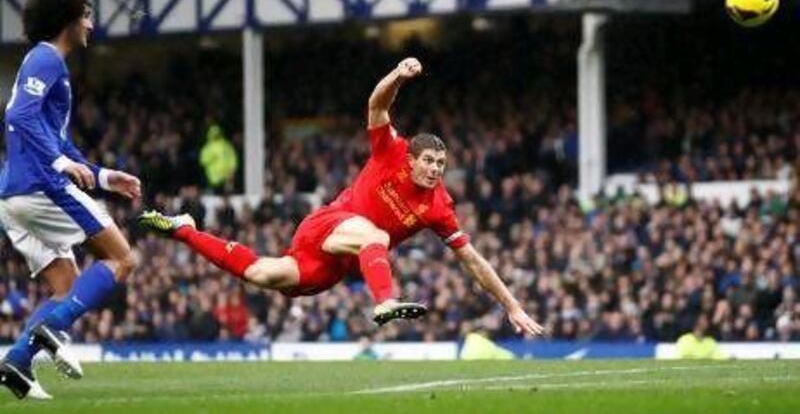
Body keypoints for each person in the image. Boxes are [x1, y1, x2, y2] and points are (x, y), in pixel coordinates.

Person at [140, 58, 543, 335]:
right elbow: (376, 104)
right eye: (430, 161)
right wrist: (398, 76)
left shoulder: (439, 206)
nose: (437, 169)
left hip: (333, 265)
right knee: (376, 236)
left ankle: (184, 230)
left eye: (442, 163)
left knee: (264, 274)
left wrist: (511, 305)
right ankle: (385, 300)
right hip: (328, 226)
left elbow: (472, 260)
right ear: (413, 157)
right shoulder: (392, 151)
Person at [0, 0, 141, 401]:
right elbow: (21, 117)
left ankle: (17, 365)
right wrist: (60, 164)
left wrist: (100, 176)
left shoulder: (41, 64)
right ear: (69, 19)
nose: (91, 25)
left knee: (67, 290)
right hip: (42, 186)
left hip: (13, 196)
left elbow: (51, 135)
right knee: (121, 259)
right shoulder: (47, 61)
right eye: (87, 15)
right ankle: (51, 329)